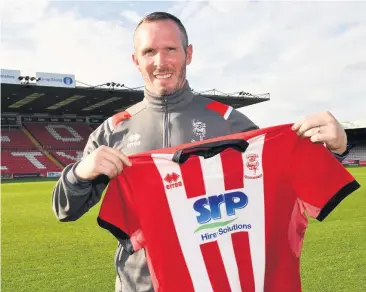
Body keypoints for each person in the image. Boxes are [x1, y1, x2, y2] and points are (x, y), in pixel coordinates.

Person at [52, 12, 350, 292]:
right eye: (149, 52)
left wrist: (333, 150)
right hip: (138, 286)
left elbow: (279, 188)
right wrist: (80, 174)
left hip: (213, 282)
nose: (160, 61)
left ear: (188, 54)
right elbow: (65, 210)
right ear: (135, 60)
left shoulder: (230, 122)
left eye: (170, 49)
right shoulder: (113, 131)